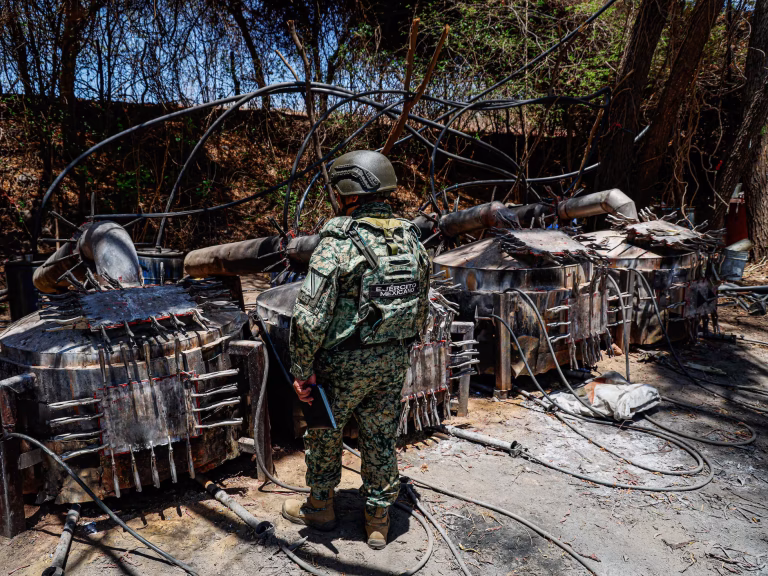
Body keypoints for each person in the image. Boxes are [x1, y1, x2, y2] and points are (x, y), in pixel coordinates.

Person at [282, 150, 431, 549]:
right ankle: (378, 519)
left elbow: (309, 316)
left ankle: (321, 507)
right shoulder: (410, 239)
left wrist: (302, 371)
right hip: (393, 359)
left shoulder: (339, 242)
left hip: (341, 363)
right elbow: (422, 304)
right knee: (381, 434)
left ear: (349, 191)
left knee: (324, 431)